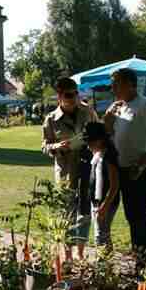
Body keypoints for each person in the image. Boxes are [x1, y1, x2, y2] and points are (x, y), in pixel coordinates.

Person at [104, 67, 146, 260]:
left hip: (140, 169)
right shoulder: (121, 107)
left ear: (131, 84)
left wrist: (140, 165)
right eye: (112, 83)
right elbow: (113, 136)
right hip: (123, 168)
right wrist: (108, 121)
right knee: (132, 215)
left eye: (116, 82)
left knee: (139, 216)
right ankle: (140, 255)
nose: (113, 87)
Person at [41, 76, 98, 261]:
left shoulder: (88, 112)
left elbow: (100, 134)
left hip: (86, 167)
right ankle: (67, 254)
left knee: (84, 211)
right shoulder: (51, 119)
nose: (73, 97)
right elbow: (45, 145)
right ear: (59, 97)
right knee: (66, 212)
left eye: (75, 93)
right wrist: (56, 147)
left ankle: (80, 252)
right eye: (68, 95)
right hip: (65, 171)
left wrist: (92, 143)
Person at [83, 122, 120, 249]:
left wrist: (105, 205)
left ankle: (103, 263)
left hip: (106, 201)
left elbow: (114, 184)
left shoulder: (109, 156)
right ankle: (104, 263)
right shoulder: (98, 154)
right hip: (97, 201)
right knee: (101, 233)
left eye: (91, 143)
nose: (88, 146)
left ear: (100, 140)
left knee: (101, 235)